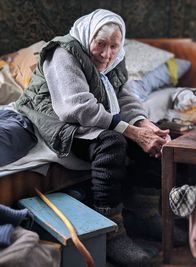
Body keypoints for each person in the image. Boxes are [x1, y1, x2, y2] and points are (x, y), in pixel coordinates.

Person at [16, 9, 171, 266]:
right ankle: (112, 232)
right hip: (55, 119)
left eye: (114, 46)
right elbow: (76, 108)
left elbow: (125, 95)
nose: (107, 54)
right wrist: (131, 131)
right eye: (100, 44)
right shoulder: (63, 53)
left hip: (87, 119)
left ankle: (144, 215)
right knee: (112, 142)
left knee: (151, 137)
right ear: (88, 36)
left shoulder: (115, 58)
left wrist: (145, 124)